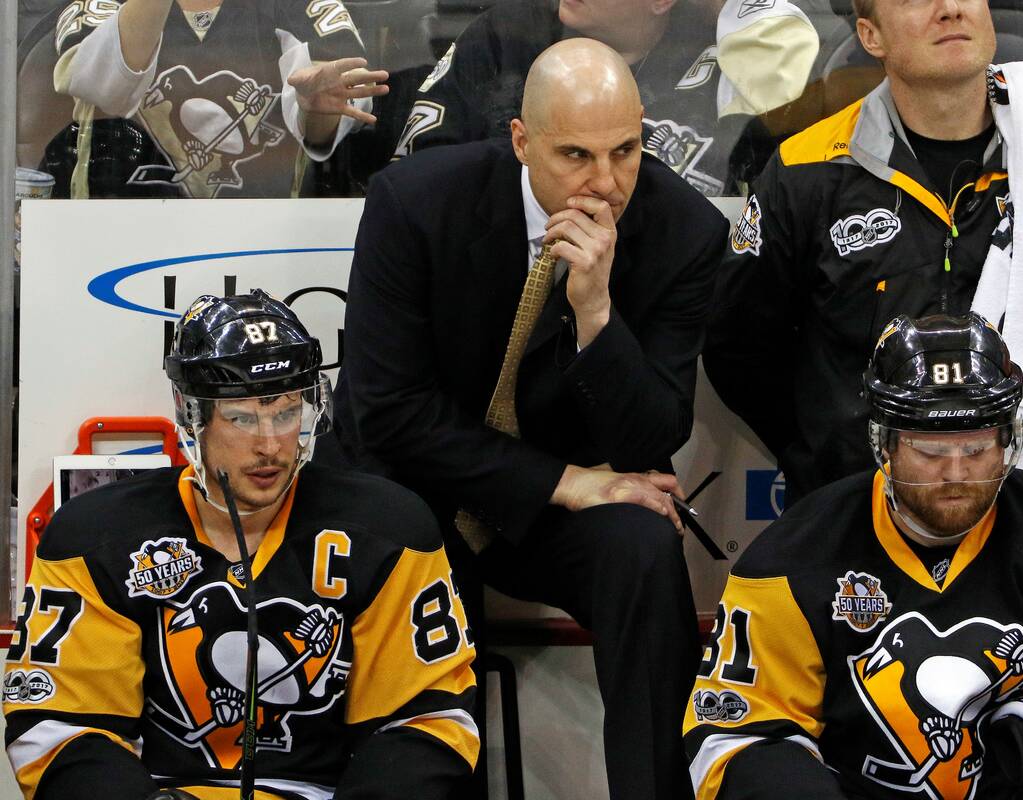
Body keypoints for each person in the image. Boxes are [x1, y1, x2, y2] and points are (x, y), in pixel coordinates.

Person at [325, 39, 727, 799]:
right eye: (575, 154)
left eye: (626, 151)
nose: (605, 184)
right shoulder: (415, 201)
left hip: (544, 510)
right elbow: (387, 414)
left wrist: (597, 314)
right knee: (418, 542)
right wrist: (563, 481)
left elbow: (650, 439)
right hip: (418, 487)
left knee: (642, 545)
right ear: (520, 141)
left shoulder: (684, 231)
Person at [685, 312, 1023, 799]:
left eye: (976, 449)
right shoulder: (788, 563)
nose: (956, 473)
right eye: (930, 452)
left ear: (1008, 440)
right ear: (882, 443)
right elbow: (733, 736)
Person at [4, 291, 478, 799]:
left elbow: (430, 718)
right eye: (242, 418)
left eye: (286, 412)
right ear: (192, 414)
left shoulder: (388, 529)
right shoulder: (95, 538)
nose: (271, 444)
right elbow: (58, 726)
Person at [703, 0, 1023, 511]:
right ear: (870, 35)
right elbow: (741, 350)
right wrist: (833, 450)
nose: (949, 9)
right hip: (856, 513)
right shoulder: (802, 169)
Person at [392, 0, 819, 195]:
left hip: (667, 291)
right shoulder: (506, 34)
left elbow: (785, 169)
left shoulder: (724, 51)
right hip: (499, 277)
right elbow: (418, 173)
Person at [50, 0, 388, 198]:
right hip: (113, 232)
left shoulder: (303, 7)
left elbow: (331, 109)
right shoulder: (99, 5)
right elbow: (102, 87)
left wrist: (316, 106)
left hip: (264, 241)